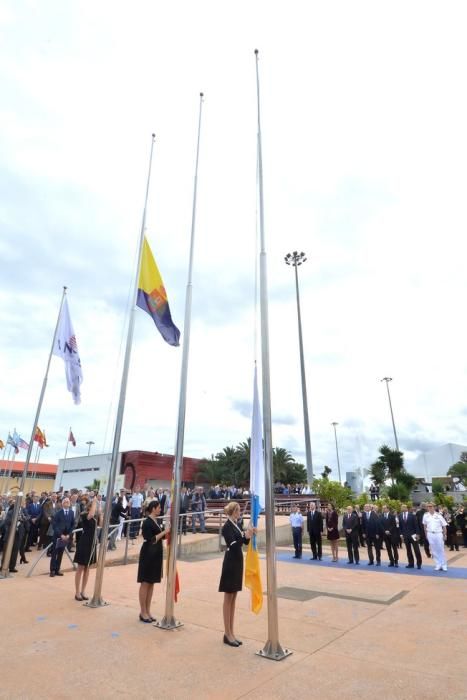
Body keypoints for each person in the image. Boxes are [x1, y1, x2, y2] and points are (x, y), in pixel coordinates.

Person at [219, 502, 254, 647]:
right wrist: (243, 536)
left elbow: (243, 542)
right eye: (238, 510)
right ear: (233, 511)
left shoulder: (236, 524)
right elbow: (233, 545)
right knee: (228, 598)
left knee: (234, 598)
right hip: (230, 563)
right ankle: (227, 633)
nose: (240, 512)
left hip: (237, 562)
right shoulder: (226, 526)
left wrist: (249, 535)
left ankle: (231, 632)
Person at [137, 500, 167, 623]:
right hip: (148, 554)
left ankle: (148, 610)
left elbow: (162, 536)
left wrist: (165, 531)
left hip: (156, 555)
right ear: (153, 508)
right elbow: (151, 539)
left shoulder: (157, 521)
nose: (160, 509)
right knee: (145, 582)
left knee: (151, 583)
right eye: (159, 507)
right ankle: (142, 611)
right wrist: (165, 532)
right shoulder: (147, 522)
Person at [73, 493, 98, 600]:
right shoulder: (84, 515)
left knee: (87, 568)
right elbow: (91, 514)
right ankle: (77, 592)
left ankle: (83, 591)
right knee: (80, 568)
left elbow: (99, 522)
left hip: (92, 543)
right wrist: (95, 502)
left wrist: (99, 512)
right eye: (93, 506)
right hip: (84, 543)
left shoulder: (94, 517)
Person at [50, 497, 75, 577]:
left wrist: (68, 534)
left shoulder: (71, 513)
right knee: (54, 553)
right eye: (65, 502)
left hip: (66, 536)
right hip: (58, 536)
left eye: (68, 502)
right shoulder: (58, 513)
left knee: (61, 553)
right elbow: (54, 525)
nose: (67, 503)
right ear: (62, 503)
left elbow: (73, 524)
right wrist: (61, 535)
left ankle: (57, 569)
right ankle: (52, 570)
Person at [423, 502, 448, 571]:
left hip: (438, 534)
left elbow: (444, 526)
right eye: (428, 506)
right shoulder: (425, 515)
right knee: (433, 550)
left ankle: (443, 565)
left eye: (431, 506)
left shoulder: (439, 515)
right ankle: (438, 564)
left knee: (441, 549)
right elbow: (424, 526)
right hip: (430, 534)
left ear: (434, 507)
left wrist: (445, 535)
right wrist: (426, 535)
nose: (430, 508)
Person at [399, 503, 422, 569]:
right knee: (408, 550)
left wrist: (417, 534)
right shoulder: (400, 516)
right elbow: (400, 526)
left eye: (404, 507)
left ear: (407, 508)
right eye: (402, 507)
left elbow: (416, 525)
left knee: (416, 549)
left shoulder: (412, 515)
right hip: (405, 536)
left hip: (413, 535)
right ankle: (411, 563)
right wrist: (401, 534)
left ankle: (419, 563)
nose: (403, 508)